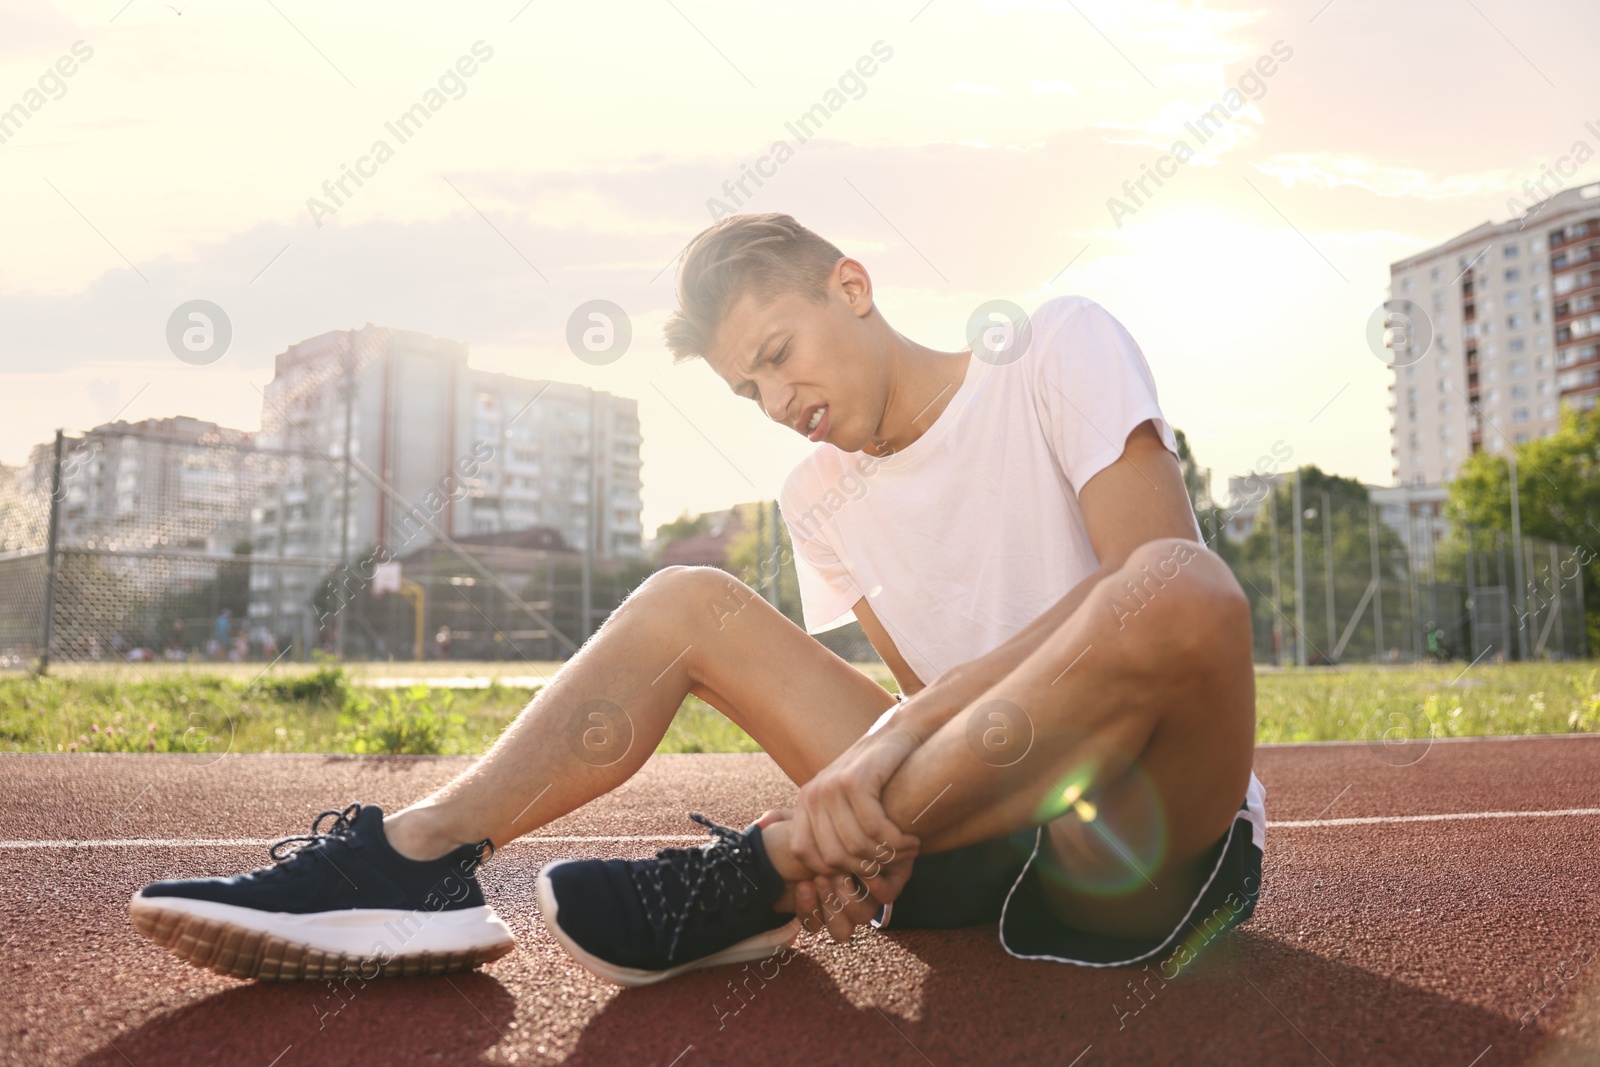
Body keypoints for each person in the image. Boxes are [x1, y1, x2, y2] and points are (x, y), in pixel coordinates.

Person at [129, 213, 1264, 986]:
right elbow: (941, 703)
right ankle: (406, 858)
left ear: (852, 288)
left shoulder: (1055, 346)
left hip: (1149, 824)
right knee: (684, 595)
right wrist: (889, 769)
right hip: (975, 821)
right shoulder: (815, 490)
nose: (776, 399)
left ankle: (763, 870)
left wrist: (893, 742)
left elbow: (1149, 591)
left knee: (1175, 581)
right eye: (747, 385)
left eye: (779, 353)